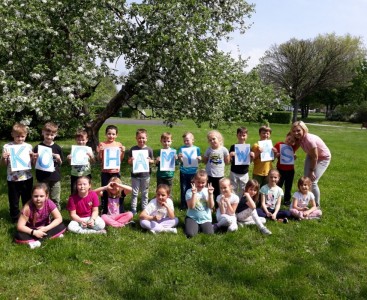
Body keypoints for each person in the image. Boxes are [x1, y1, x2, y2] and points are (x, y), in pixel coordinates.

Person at [291, 121, 331, 207]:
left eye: (298, 130)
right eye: (294, 131)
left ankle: (316, 205)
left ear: (304, 130)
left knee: (312, 182)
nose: (296, 133)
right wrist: (293, 152)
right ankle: (304, 200)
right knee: (306, 180)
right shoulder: (299, 138)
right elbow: (297, 145)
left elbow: (315, 157)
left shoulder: (309, 140)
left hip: (323, 158)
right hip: (311, 155)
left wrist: (312, 171)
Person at [15, 183, 66, 249]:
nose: (38, 199)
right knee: (19, 236)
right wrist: (34, 232)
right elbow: (20, 226)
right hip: (32, 230)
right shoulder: (27, 208)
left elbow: (59, 218)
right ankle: (52, 236)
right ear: (32, 196)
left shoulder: (49, 203)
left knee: (61, 225)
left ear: (46, 196)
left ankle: (38, 242)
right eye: (35, 196)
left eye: (41, 196)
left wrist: (46, 228)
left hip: (45, 228)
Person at [2, 123, 34, 222]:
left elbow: (31, 164)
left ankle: (27, 216)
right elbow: (3, 165)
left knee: (27, 199)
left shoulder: (28, 146)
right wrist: (3, 158)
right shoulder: (7, 146)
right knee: (14, 200)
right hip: (12, 179)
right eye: (17, 136)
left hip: (27, 177)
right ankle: (15, 218)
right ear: (12, 134)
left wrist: (33, 157)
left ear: (26, 135)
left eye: (22, 136)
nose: (20, 139)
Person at [33, 122, 64, 210]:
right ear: (42, 132)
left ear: (55, 134)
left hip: (55, 177)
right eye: (47, 134)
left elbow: (61, 163)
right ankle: (44, 214)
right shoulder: (38, 147)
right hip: (42, 177)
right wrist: (34, 158)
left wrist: (58, 158)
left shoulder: (57, 148)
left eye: (52, 135)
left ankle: (56, 216)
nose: (49, 137)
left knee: (55, 198)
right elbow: (34, 163)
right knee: (43, 198)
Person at [97, 125, 125, 214]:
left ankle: (118, 208)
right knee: (106, 190)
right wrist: (100, 151)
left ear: (116, 135)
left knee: (117, 190)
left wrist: (123, 151)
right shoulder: (102, 144)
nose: (111, 136)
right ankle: (105, 208)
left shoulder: (118, 145)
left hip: (115, 172)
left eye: (113, 134)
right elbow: (100, 159)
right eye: (109, 134)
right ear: (106, 134)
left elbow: (120, 159)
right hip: (105, 172)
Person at [128, 128, 154, 215]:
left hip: (146, 175)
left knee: (145, 193)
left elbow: (152, 161)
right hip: (135, 175)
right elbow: (129, 162)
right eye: (139, 138)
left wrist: (150, 161)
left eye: (143, 138)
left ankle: (144, 208)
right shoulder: (133, 149)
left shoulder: (149, 150)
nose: (141, 140)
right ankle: (133, 208)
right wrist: (131, 160)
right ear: (136, 138)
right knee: (134, 193)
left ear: (146, 138)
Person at [184, 170, 215, 238]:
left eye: (203, 183)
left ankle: (203, 227)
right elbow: (191, 206)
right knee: (190, 235)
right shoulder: (189, 192)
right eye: (198, 182)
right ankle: (194, 226)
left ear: (206, 182)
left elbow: (211, 206)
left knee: (210, 235)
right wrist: (194, 194)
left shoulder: (208, 191)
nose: (200, 185)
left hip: (205, 219)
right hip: (192, 217)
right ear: (194, 180)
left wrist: (210, 194)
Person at [202, 130, 230, 203]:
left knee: (218, 191)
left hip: (219, 175)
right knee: (209, 190)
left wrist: (230, 156)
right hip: (209, 174)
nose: (212, 141)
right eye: (210, 140)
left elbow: (227, 162)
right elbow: (204, 161)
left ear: (219, 139)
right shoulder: (208, 150)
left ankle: (218, 206)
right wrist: (203, 157)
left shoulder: (224, 150)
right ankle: (210, 205)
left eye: (214, 139)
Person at [177, 132, 201, 210]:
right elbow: (180, 161)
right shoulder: (181, 148)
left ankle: (192, 203)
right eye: (184, 141)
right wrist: (180, 158)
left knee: (192, 188)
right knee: (183, 188)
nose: (186, 142)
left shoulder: (196, 149)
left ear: (193, 140)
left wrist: (199, 159)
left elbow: (198, 160)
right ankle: (183, 204)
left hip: (193, 172)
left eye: (187, 140)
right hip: (184, 171)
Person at [274, 132, 299, 205]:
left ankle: (287, 200)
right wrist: (276, 154)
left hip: (290, 170)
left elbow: (293, 154)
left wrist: (294, 157)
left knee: (288, 186)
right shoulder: (279, 144)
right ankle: (275, 199)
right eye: (289, 139)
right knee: (278, 185)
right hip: (280, 169)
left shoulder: (293, 147)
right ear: (286, 136)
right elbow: (273, 154)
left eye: (292, 141)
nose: (290, 142)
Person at [67, 129, 95, 194]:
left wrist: (91, 157)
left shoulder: (88, 149)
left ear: (87, 140)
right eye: (79, 140)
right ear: (76, 140)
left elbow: (93, 162)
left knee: (87, 190)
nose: (81, 142)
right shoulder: (74, 149)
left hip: (86, 174)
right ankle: (74, 203)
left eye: (83, 140)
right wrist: (69, 158)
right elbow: (70, 163)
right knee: (74, 190)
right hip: (75, 174)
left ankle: (86, 202)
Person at [229, 127, 254, 196]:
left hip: (244, 172)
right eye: (240, 135)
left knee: (244, 188)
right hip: (234, 171)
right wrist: (230, 155)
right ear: (237, 135)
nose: (242, 137)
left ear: (247, 136)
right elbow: (229, 160)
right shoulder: (233, 147)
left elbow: (251, 161)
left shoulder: (248, 148)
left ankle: (241, 201)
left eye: (244, 135)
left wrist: (252, 156)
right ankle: (234, 201)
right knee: (233, 188)